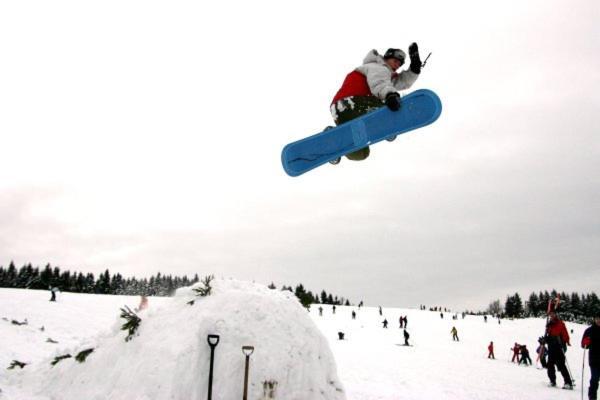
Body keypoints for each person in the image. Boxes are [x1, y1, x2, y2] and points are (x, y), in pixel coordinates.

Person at [329, 44, 422, 162]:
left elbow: (402, 82)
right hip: (353, 103)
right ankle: (387, 124)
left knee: (360, 153)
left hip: (341, 110)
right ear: (387, 57)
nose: (397, 65)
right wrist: (390, 96)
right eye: (395, 61)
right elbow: (380, 83)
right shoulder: (378, 67)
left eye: (400, 64)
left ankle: (333, 142)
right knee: (391, 108)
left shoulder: (385, 74)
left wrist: (414, 68)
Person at [545, 311, 573, 389]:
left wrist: (566, 341)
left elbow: (565, 334)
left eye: (553, 314)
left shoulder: (560, 323)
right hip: (551, 347)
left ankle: (568, 382)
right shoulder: (549, 325)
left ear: (556, 315)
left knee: (561, 365)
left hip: (559, 347)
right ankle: (552, 381)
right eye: (550, 314)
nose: (551, 316)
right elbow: (549, 335)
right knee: (550, 365)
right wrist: (545, 340)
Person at [582, 313, 600, 400]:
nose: (599, 320)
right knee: (595, 379)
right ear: (594, 319)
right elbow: (583, 344)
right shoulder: (589, 330)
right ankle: (592, 397)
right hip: (594, 359)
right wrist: (585, 342)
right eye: (597, 318)